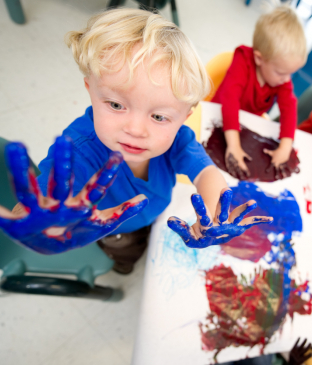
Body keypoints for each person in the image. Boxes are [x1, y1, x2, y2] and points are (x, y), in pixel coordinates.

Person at [0, 9, 272, 274]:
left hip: (152, 212)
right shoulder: (79, 151)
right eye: (116, 104)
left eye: (159, 116)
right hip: (116, 232)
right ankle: (121, 265)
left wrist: (214, 218)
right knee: (127, 253)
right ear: (90, 90)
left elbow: (207, 173)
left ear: (183, 118)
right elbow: (49, 193)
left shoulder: (177, 139)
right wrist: (40, 223)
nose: (135, 129)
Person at [211, 5, 307, 178]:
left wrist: (285, 146)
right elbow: (230, 101)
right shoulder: (242, 61)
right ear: (259, 58)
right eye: (281, 72)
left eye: (290, 74)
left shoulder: (280, 77)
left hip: (246, 125)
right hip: (217, 118)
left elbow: (289, 108)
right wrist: (233, 145)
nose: (287, 79)